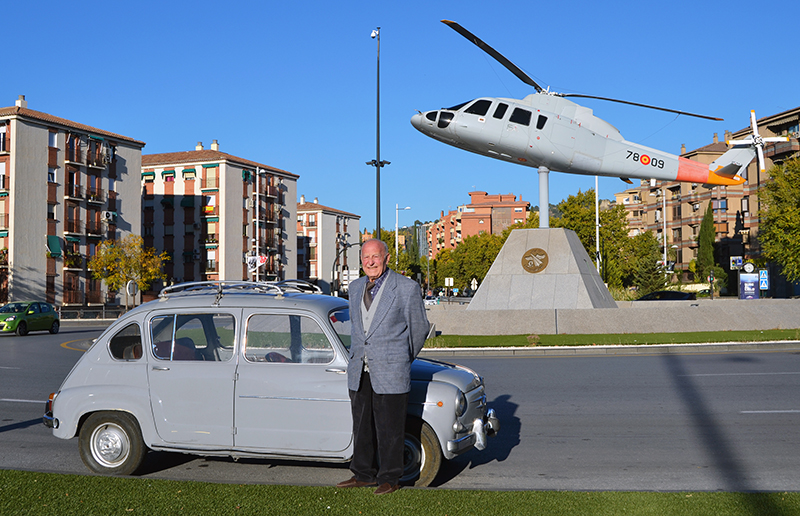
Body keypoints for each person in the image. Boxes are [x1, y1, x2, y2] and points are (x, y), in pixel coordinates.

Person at [336, 239, 429, 495]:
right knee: (361, 426)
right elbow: (358, 329)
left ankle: (390, 477)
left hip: (392, 370)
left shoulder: (406, 288)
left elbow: (419, 329)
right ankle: (363, 474)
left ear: (387, 258)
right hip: (359, 371)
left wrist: (400, 358)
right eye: (366, 257)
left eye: (375, 257)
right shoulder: (355, 288)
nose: (370, 262)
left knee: (390, 428)